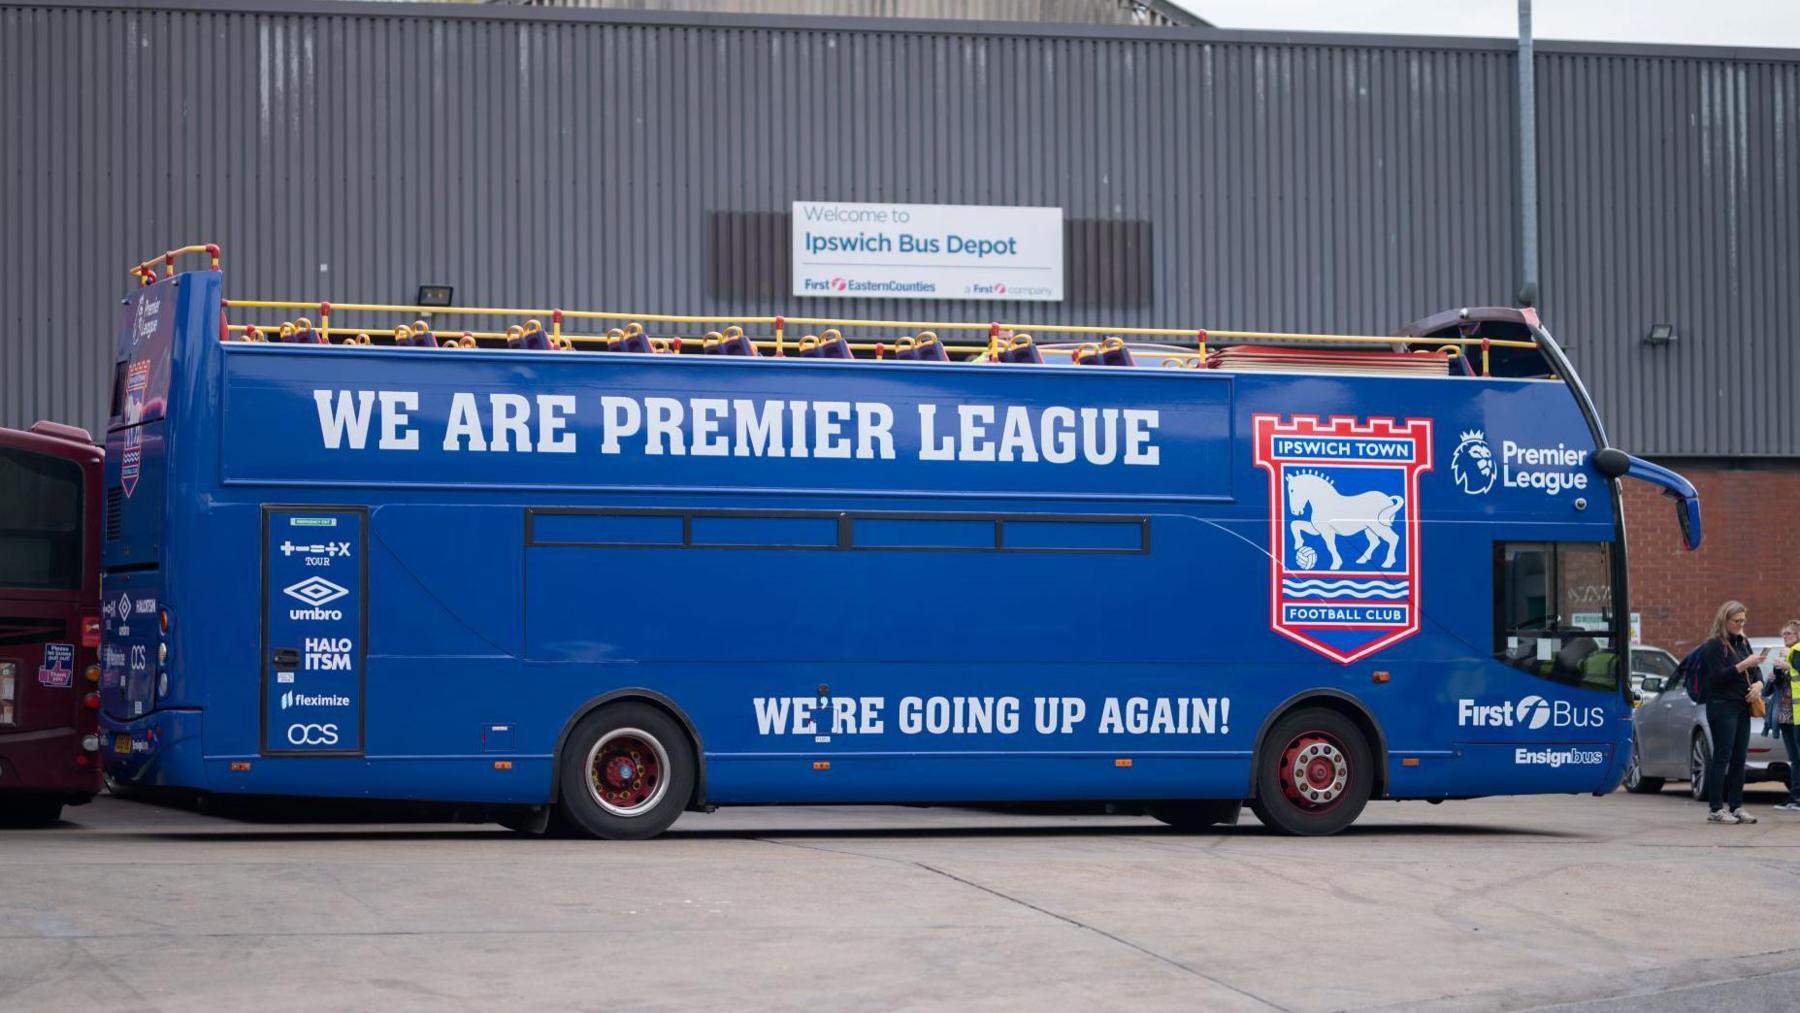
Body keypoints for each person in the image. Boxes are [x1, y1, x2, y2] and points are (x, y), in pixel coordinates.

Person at [1701, 601, 1771, 824]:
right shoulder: (1714, 645)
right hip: (1722, 705)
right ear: (1725, 620)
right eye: (1737, 621)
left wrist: (1758, 686)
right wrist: (1742, 665)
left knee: (1740, 757)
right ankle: (1715, 809)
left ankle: (1737, 806)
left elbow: (1757, 671)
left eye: (1743, 620)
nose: (1741, 625)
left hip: (1742, 704)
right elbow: (1715, 678)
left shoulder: (1743, 642)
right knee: (1723, 755)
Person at [1767, 620, 1800, 811]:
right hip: (1787, 711)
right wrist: (1776, 674)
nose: (1785, 637)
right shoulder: (1788, 653)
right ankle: (1795, 796)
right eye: (1783, 634)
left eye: (1789, 633)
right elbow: (1779, 683)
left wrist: (1789, 664)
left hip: (1797, 712)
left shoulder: (1796, 652)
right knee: (1794, 758)